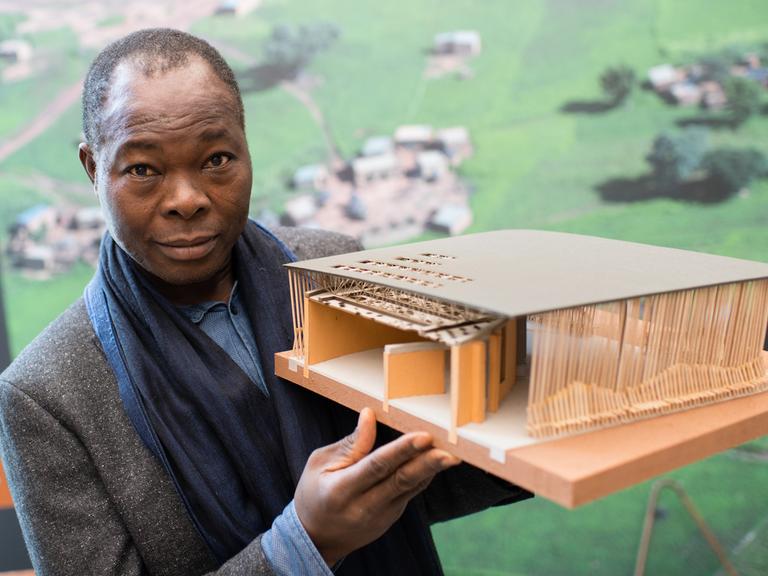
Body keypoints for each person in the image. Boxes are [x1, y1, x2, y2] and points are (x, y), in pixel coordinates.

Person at [0, 29, 529, 575]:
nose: (187, 199)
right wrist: (305, 544)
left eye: (217, 159)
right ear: (92, 168)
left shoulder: (332, 269)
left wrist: (526, 431)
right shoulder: (46, 397)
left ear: (247, 147)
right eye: (143, 170)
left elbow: (412, 488)